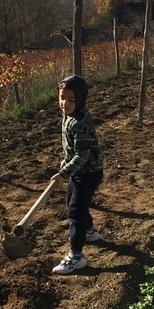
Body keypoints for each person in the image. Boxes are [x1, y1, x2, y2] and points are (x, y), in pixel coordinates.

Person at [51, 75, 104, 275]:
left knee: (75, 210)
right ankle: (89, 231)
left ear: (80, 100)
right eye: (62, 97)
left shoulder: (80, 123)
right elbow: (77, 149)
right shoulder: (69, 117)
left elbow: (83, 154)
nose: (65, 103)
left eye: (71, 100)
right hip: (80, 169)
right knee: (73, 204)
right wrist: (67, 159)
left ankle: (76, 256)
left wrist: (63, 173)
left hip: (89, 172)